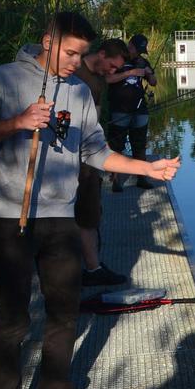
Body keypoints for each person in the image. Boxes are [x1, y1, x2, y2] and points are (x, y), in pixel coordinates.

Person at [0, 12, 181, 389]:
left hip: (61, 219)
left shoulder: (78, 91)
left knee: (64, 312)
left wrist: (146, 169)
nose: (76, 61)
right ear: (47, 41)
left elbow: (94, 150)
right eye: (70, 52)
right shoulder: (0, 80)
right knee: (13, 320)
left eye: (82, 54)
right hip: (11, 220)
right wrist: (16, 123)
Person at [73, 38, 131, 286]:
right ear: (102, 53)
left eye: (116, 70)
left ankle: (93, 267)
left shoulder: (98, 80)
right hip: (69, 157)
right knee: (73, 214)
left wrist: (103, 149)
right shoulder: (74, 71)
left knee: (91, 212)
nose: (112, 72)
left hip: (90, 155)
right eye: (112, 66)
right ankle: (85, 268)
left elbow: (94, 116)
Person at [106, 32, 156, 191]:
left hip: (140, 110)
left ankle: (141, 178)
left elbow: (154, 82)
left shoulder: (142, 61)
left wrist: (148, 71)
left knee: (139, 145)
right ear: (130, 46)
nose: (139, 54)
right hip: (119, 109)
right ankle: (115, 180)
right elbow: (108, 79)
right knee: (116, 145)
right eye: (137, 50)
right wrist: (130, 72)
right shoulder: (118, 60)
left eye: (142, 52)